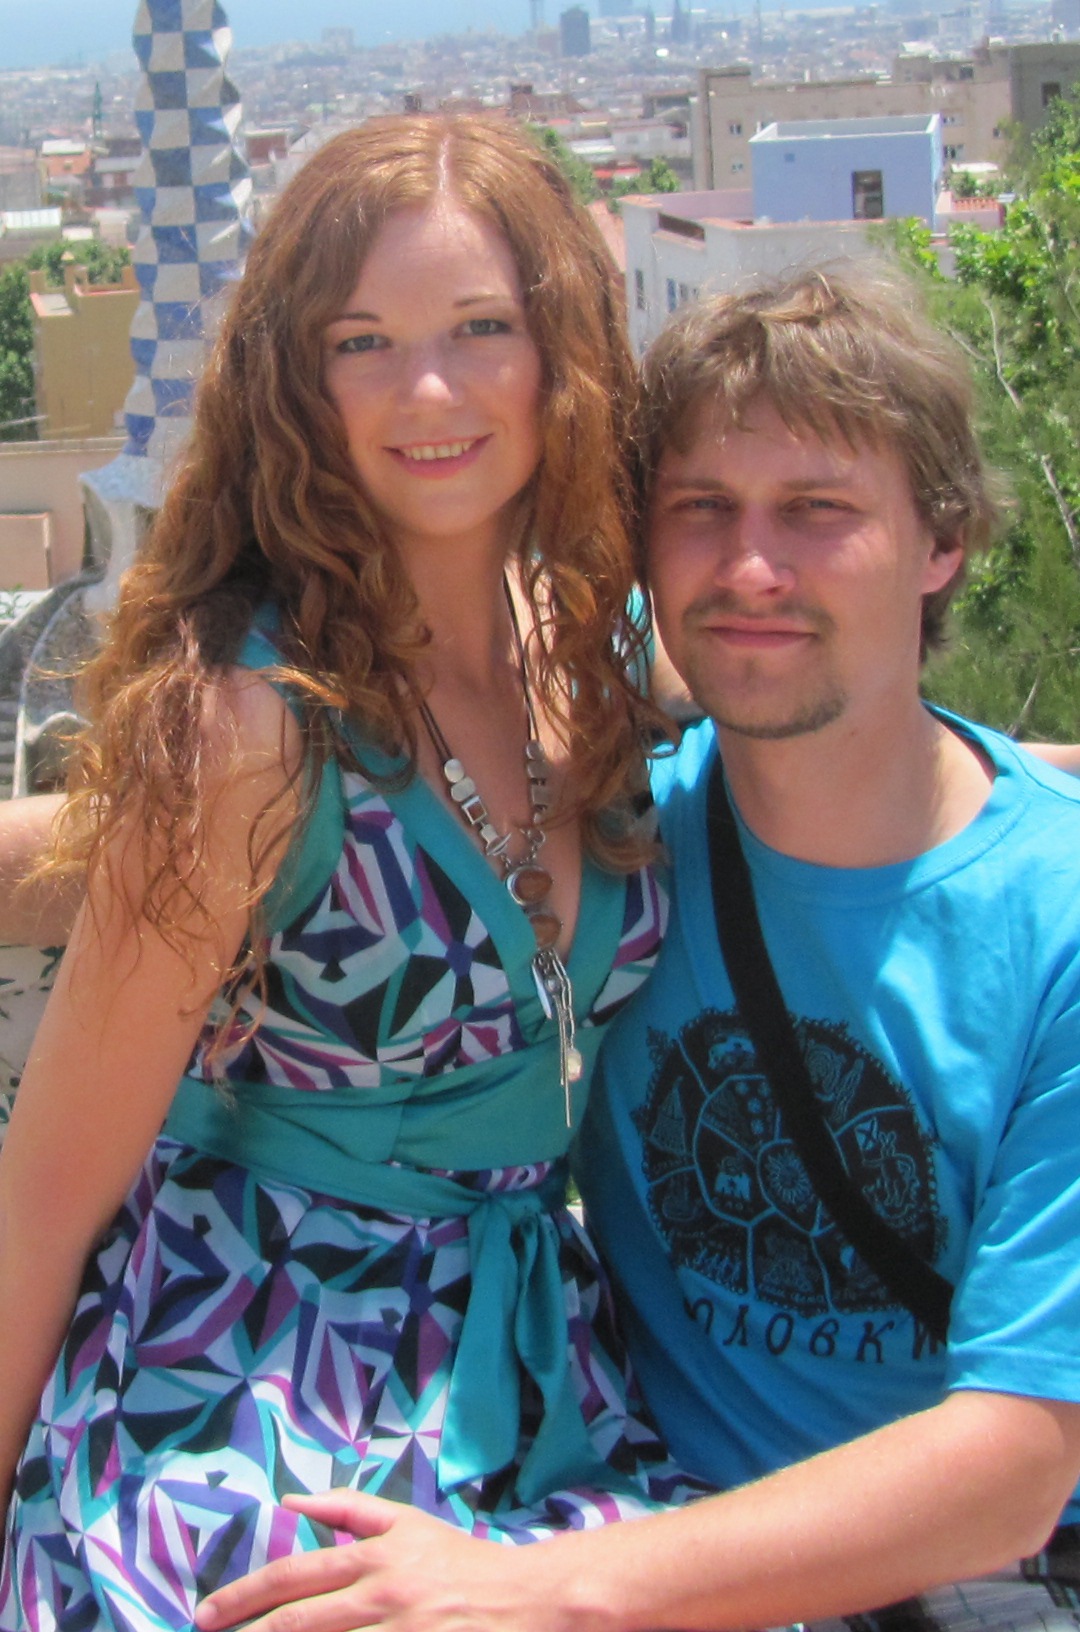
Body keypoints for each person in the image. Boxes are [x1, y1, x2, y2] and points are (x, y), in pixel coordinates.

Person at [193, 267, 1080, 1632]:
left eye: (819, 512)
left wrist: (533, 1592)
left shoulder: (1054, 918)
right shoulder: (603, 849)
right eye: (701, 509)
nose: (750, 570)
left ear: (942, 542)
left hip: (955, 1582)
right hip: (623, 1503)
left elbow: (1017, 1464)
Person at [0, 113, 707, 1632]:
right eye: (361, 341)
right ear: (294, 381)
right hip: (251, 1383)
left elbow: (871, 770)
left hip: (536, 1373)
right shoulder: (249, 725)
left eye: (480, 328)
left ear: (563, 354)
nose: (427, 390)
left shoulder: (606, 655)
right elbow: (45, 1199)